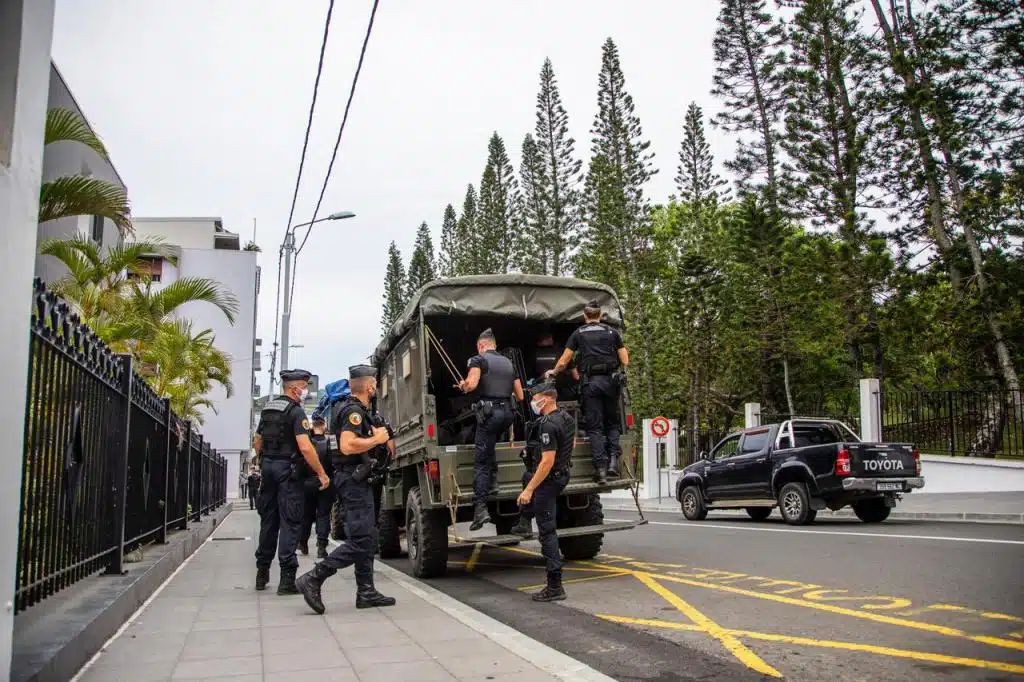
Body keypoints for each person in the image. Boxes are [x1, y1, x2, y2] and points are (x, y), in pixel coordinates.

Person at [295, 364, 396, 614]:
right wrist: (377, 439)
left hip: (354, 480)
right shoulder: (353, 411)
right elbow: (348, 445)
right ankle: (314, 577)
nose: (376, 388)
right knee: (362, 540)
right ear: (370, 385)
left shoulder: (351, 408)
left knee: (368, 536)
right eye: (375, 384)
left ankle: (366, 590)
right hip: (353, 480)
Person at [252, 369, 330, 594]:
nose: (306, 390)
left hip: (268, 470)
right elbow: (305, 447)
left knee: (269, 522)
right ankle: (287, 580)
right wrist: (321, 473)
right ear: (294, 388)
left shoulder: (268, 409)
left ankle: (262, 573)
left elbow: (258, 440)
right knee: (290, 522)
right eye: (304, 386)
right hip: (288, 472)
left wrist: (263, 459)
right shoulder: (296, 412)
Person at [547, 300, 629, 485]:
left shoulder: (578, 334)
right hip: (610, 383)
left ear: (585, 316)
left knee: (595, 427)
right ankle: (613, 463)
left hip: (591, 384)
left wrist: (554, 372)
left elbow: (564, 361)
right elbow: (625, 359)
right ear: (600, 315)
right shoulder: (612, 332)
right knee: (612, 424)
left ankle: (600, 470)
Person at [457, 328, 525, 530]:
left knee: (481, 462)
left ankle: (480, 509)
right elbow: (520, 395)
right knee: (491, 446)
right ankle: (494, 483)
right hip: (508, 415)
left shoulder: (478, 360)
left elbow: (472, 383)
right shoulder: (508, 362)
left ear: (481, 346)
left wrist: (464, 385)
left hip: (490, 415)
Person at [516, 381, 574, 602]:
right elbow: (569, 446)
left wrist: (530, 490)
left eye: (536, 396)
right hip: (561, 475)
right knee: (526, 476)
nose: (533, 401)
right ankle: (523, 521)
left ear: (547, 398)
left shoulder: (547, 425)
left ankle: (555, 586)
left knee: (547, 533)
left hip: (548, 481)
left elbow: (547, 461)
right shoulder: (567, 418)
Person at [299, 416, 334, 560]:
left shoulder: (307, 442)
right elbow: (334, 463)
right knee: (323, 515)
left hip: (308, 483)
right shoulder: (330, 442)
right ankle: (321, 546)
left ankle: (303, 543)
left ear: (313, 426)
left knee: (306, 515)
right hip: (326, 481)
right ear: (324, 426)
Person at [534, 331, 579, 399]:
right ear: (551, 339)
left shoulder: (532, 354)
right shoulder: (563, 353)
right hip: (562, 393)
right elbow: (576, 376)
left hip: (541, 391)